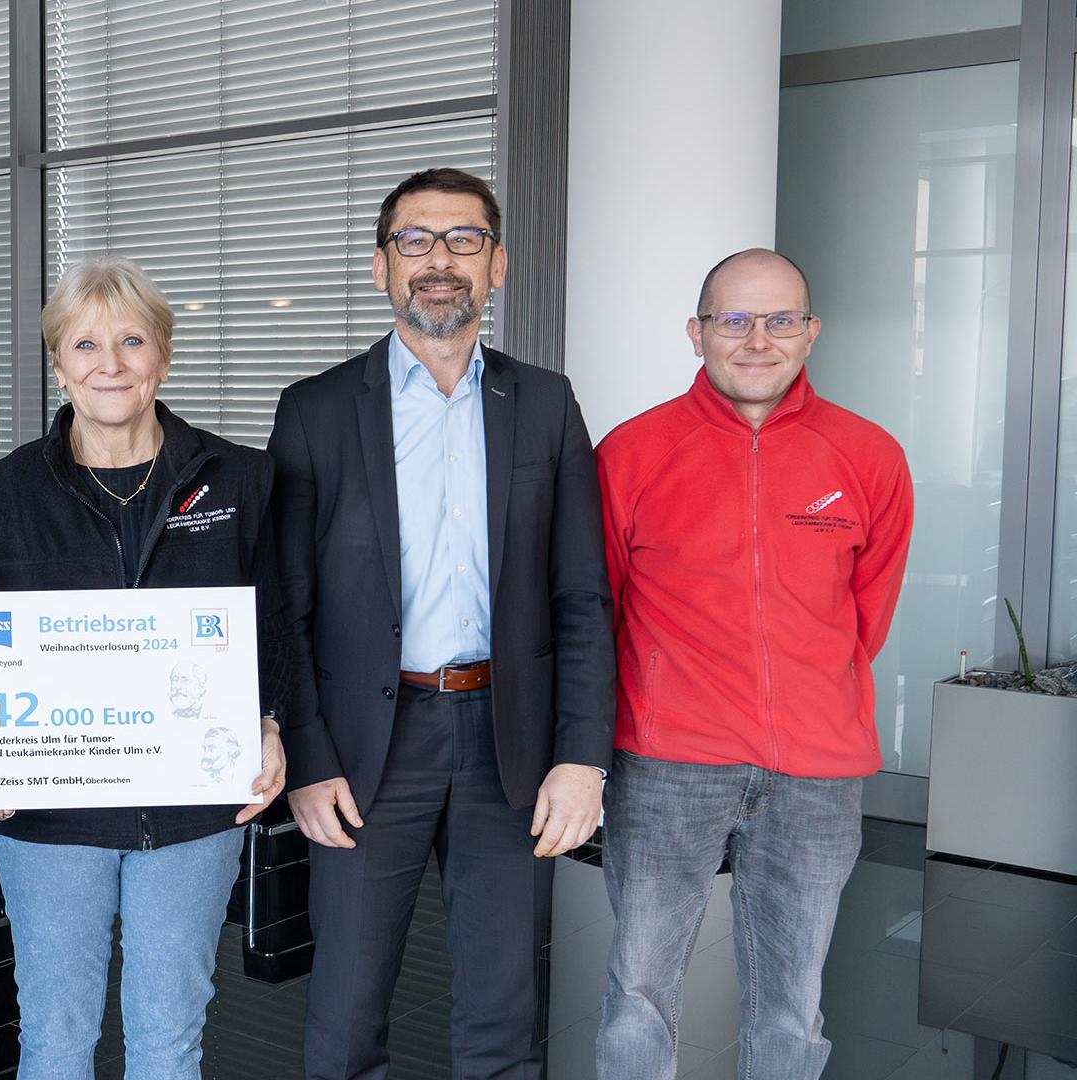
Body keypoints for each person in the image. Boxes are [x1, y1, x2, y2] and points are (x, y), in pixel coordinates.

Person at [269, 167, 615, 1079]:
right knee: (345, 1004)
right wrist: (307, 757)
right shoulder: (313, 411)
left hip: (511, 736)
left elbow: (583, 594)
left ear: (496, 264)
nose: (439, 261)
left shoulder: (545, 403)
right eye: (415, 240)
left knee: (505, 1009)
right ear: (382, 265)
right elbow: (286, 605)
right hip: (365, 744)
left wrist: (582, 756)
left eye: (464, 240)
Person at [0, 255, 288, 1079]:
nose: (110, 364)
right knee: (56, 1039)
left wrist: (272, 723)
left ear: (162, 357)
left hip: (192, 807)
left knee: (169, 1037)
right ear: (59, 362)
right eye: (86, 344)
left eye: (132, 341)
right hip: (51, 813)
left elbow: (275, 620)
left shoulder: (238, 478)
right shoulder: (3, 495)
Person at [593, 249, 914, 1079]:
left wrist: (809, 691)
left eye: (779, 319)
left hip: (816, 769)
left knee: (792, 1000)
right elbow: (606, 608)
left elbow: (864, 615)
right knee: (638, 989)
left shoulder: (869, 455)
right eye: (734, 319)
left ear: (811, 332)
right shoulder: (631, 452)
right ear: (696, 334)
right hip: (666, 763)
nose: (757, 339)